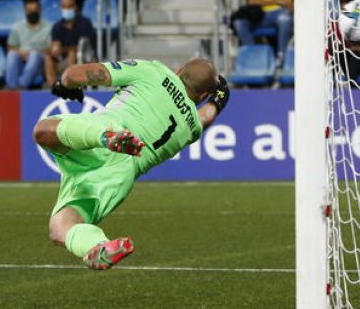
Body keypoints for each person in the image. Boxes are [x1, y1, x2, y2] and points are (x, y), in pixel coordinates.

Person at [36, 58, 228, 269]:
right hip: (119, 174)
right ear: (201, 96)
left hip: (108, 132)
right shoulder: (192, 127)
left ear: (179, 70)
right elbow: (207, 115)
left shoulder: (153, 70)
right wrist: (219, 98)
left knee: (44, 130)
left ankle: (104, 136)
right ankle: (97, 246)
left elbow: (73, 74)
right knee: (61, 227)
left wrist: (67, 85)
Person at [45, 0, 95, 85]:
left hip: (85, 58)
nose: (67, 10)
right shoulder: (57, 26)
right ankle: (53, 88)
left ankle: (69, 86)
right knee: (48, 58)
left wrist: (65, 49)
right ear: (61, 8)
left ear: (75, 7)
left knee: (72, 53)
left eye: (70, 7)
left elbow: (83, 47)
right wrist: (54, 50)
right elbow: (56, 45)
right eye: (64, 7)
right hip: (64, 59)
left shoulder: (85, 23)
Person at [6, 0, 49, 89]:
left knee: (34, 54)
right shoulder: (17, 27)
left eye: (35, 9)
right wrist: (21, 53)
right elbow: (11, 47)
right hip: (22, 61)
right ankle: (12, 87)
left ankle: (22, 86)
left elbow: (51, 49)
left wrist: (33, 52)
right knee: (11, 55)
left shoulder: (49, 27)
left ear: (40, 10)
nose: (32, 12)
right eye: (29, 10)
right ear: (25, 11)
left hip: (40, 64)